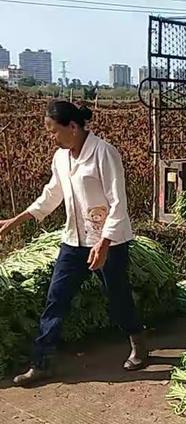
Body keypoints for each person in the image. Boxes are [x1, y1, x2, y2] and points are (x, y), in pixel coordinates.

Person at [0, 100, 147, 386]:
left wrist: (104, 243)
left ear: (73, 126)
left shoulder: (104, 153)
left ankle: (138, 343)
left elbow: (118, 203)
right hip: (74, 241)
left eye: (54, 131)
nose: (51, 137)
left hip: (109, 242)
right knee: (56, 299)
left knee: (117, 297)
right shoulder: (61, 157)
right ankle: (41, 363)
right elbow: (51, 195)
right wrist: (15, 220)